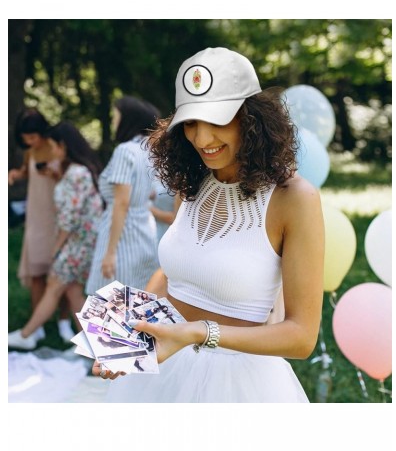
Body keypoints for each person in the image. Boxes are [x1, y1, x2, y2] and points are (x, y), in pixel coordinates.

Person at [93, 47, 324, 402]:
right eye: (190, 123)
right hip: (162, 366)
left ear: (252, 118)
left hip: (238, 385)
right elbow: (171, 275)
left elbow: (302, 337)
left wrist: (199, 333)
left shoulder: (294, 199)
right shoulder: (194, 181)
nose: (201, 139)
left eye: (216, 121)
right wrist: (126, 336)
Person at [8, 122, 103, 349]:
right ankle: (94, 347)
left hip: (76, 243)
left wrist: (56, 248)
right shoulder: (74, 171)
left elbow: (70, 218)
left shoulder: (76, 173)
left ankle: (27, 334)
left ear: (63, 145)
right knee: (73, 294)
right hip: (81, 241)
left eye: (54, 146)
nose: (52, 151)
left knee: (56, 287)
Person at [8, 108, 75, 343]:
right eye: (26, 139)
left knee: (64, 276)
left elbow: (70, 179)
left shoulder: (58, 148)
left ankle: (64, 321)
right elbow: (27, 173)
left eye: (33, 137)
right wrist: (16, 175)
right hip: (36, 220)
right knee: (37, 274)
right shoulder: (30, 153)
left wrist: (54, 172)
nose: (30, 142)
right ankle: (37, 325)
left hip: (58, 219)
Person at [85, 96, 160, 294]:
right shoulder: (149, 151)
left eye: (116, 117)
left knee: (107, 304)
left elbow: (121, 203)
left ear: (128, 119)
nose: (113, 122)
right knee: (136, 301)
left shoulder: (125, 151)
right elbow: (151, 192)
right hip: (146, 232)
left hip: (122, 236)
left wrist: (110, 253)